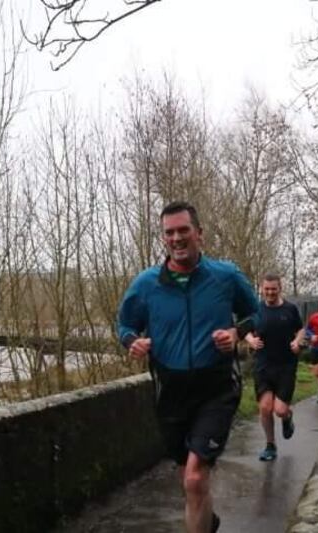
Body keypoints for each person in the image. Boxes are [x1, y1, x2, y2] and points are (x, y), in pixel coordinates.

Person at [117, 201, 258, 533]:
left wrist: (236, 333)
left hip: (216, 387)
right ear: (163, 238)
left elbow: (257, 315)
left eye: (183, 230)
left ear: (199, 234)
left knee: (195, 477)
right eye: (169, 233)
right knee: (190, 479)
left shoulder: (226, 276)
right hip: (171, 392)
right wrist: (132, 342)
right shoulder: (146, 284)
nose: (177, 238)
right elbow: (124, 325)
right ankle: (207, 523)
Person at [244, 273, 304, 461]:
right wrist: (251, 340)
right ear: (262, 289)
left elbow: (301, 329)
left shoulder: (290, 309)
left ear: (280, 288)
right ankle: (270, 445)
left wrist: (297, 341)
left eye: (273, 289)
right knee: (265, 407)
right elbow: (243, 329)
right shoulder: (255, 310)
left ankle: (287, 417)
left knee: (279, 410)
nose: (270, 292)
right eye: (266, 289)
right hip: (263, 365)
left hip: (286, 366)